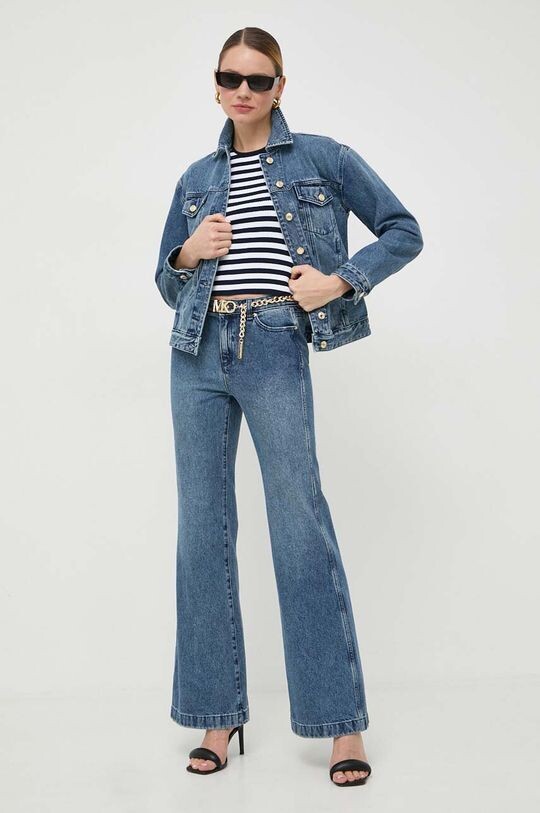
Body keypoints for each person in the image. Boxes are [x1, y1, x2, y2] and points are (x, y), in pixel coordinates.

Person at [155, 27, 423, 787]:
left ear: (280, 86)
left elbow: (403, 231)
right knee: (202, 532)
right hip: (196, 352)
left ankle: (340, 724)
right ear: (215, 86)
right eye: (230, 78)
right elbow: (168, 281)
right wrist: (187, 253)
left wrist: (340, 281)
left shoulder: (323, 159)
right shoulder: (195, 178)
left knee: (299, 527)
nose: (243, 91)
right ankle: (218, 713)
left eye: (258, 79)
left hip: (274, 341)